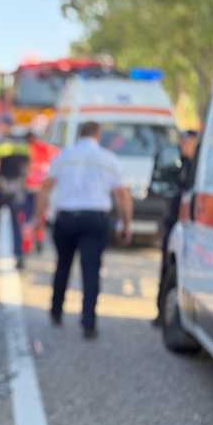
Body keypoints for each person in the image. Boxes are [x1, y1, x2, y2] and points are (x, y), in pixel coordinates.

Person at [33, 121, 133, 339]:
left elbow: (45, 189)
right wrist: (126, 224)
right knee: (91, 270)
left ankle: (56, 311)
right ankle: (88, 322)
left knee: (63, 265)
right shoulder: (108, 159)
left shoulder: (64, 156)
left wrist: (38, 219)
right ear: (98, 135)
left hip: (66, 218)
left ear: (79, 134)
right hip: (95, 219)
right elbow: (122, 195)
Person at [153, 129, 199, 326]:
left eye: (187, 142)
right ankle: (162, 312)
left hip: (188, 225)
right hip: (173, 223)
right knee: (167, 269)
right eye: (182, 142)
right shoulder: (181, 165)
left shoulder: (198, 168)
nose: (183, 146)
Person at [0, 115, 30, 269]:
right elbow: (27, 167)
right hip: (17, 188)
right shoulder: (22, 143)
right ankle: (19, 255)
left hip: (2, 187)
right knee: (16, 224)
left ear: (5, 125)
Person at [24, 129, 59, 252]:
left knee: (31, 218)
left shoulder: (29, 149)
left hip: (34, 189)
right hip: (39, 189)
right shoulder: (46, 149)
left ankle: (33, 242)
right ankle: (34, 241)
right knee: (37, 217)